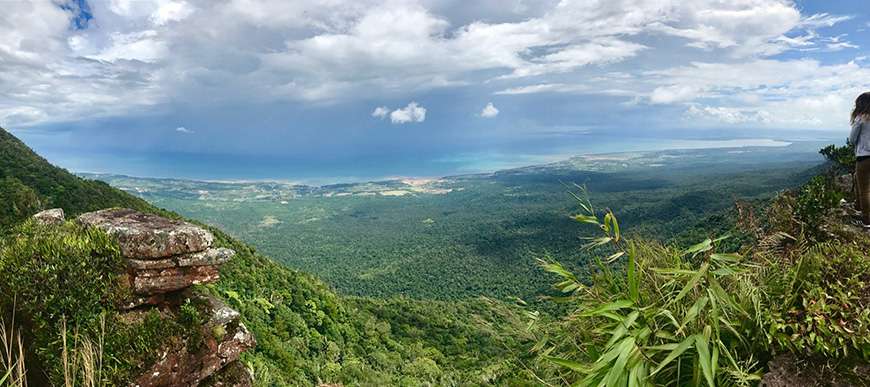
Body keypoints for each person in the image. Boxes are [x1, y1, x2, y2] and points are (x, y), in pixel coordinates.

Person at [850, 92, 870, 228]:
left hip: (864, 157)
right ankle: (859, 208)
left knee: (865, 190)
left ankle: (867, 220)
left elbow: (852, 139)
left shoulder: (861, 118)